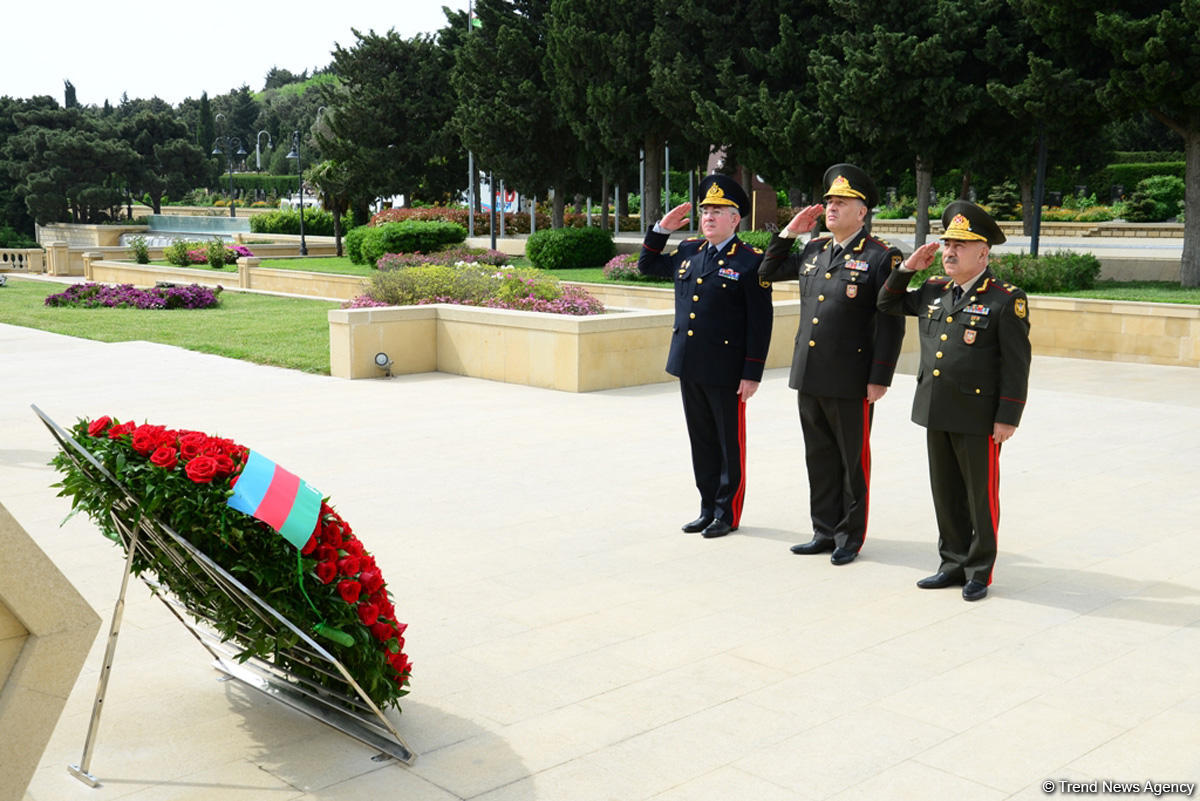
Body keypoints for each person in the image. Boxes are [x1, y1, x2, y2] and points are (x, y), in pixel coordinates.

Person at [877, 200, 1031, 601]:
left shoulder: (1004, 299)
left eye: (960, 246)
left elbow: (1017, 364)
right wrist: (908, 267)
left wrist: (1008, 416)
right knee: (945, 493)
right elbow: (887, 302)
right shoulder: (932, 290)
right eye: (946, 244)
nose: (948, 252)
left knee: (980, 497)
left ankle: (979, 570)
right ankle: (951, 562)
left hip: (979, 415)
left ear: (983, 252)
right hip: (936, 408)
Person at [758, 164, 905, 565]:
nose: (831, 208)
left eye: (842, 202)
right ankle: (823, 529)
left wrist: (880, 376)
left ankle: (849, 536)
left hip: (852, 377)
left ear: (863, 211)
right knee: (819, 455)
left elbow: (891, 322)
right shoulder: (814, 249)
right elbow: (766, 272)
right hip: (809, 371)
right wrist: (789, 231)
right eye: (828, 202)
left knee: (850, 460)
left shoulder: (880, 257)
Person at [638, 173, 774, 538]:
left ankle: (726, 514)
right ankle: (706, 507)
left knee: (729, 444)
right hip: (690, 363)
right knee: (701, 441)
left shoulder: (750, 262)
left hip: (727, 370)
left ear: (736, 218)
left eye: (718, 211)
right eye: (705, 211)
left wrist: (752, 372)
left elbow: (760, 323)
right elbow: (647, 266)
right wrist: (661, 230)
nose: (709, 217)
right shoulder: (689, 251)